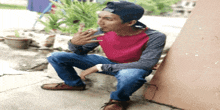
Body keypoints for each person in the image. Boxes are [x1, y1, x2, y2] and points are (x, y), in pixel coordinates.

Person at [41, 1, 166, 110]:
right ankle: (74, 84)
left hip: (133, 67)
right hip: (110, 62)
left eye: (108, 19)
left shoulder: (154, 37)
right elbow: (80, 52)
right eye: (100, 17)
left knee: (130, 76)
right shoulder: (103, 31)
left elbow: (146, 64)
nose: (100, 22)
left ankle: (118, 100)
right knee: (56, 56)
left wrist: (100, 67)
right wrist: (74, 44)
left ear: (130, 22)